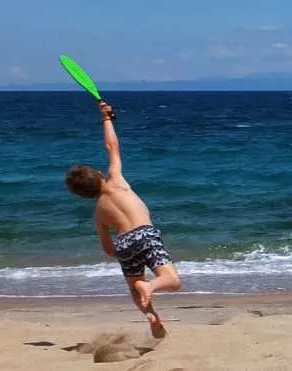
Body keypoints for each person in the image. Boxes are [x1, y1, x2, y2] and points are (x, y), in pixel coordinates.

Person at [64, 101, 181, 338]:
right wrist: (106, 118)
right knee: (171, 280)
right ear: (100, 174)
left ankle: (151, 316)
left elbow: (108, 249)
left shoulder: (98, 214)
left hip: (124, 243)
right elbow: (111, 146)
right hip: (145, 234)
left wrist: (123, 253)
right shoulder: (116, 180)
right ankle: (151, 286)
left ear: (83, 196)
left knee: (132, 286)